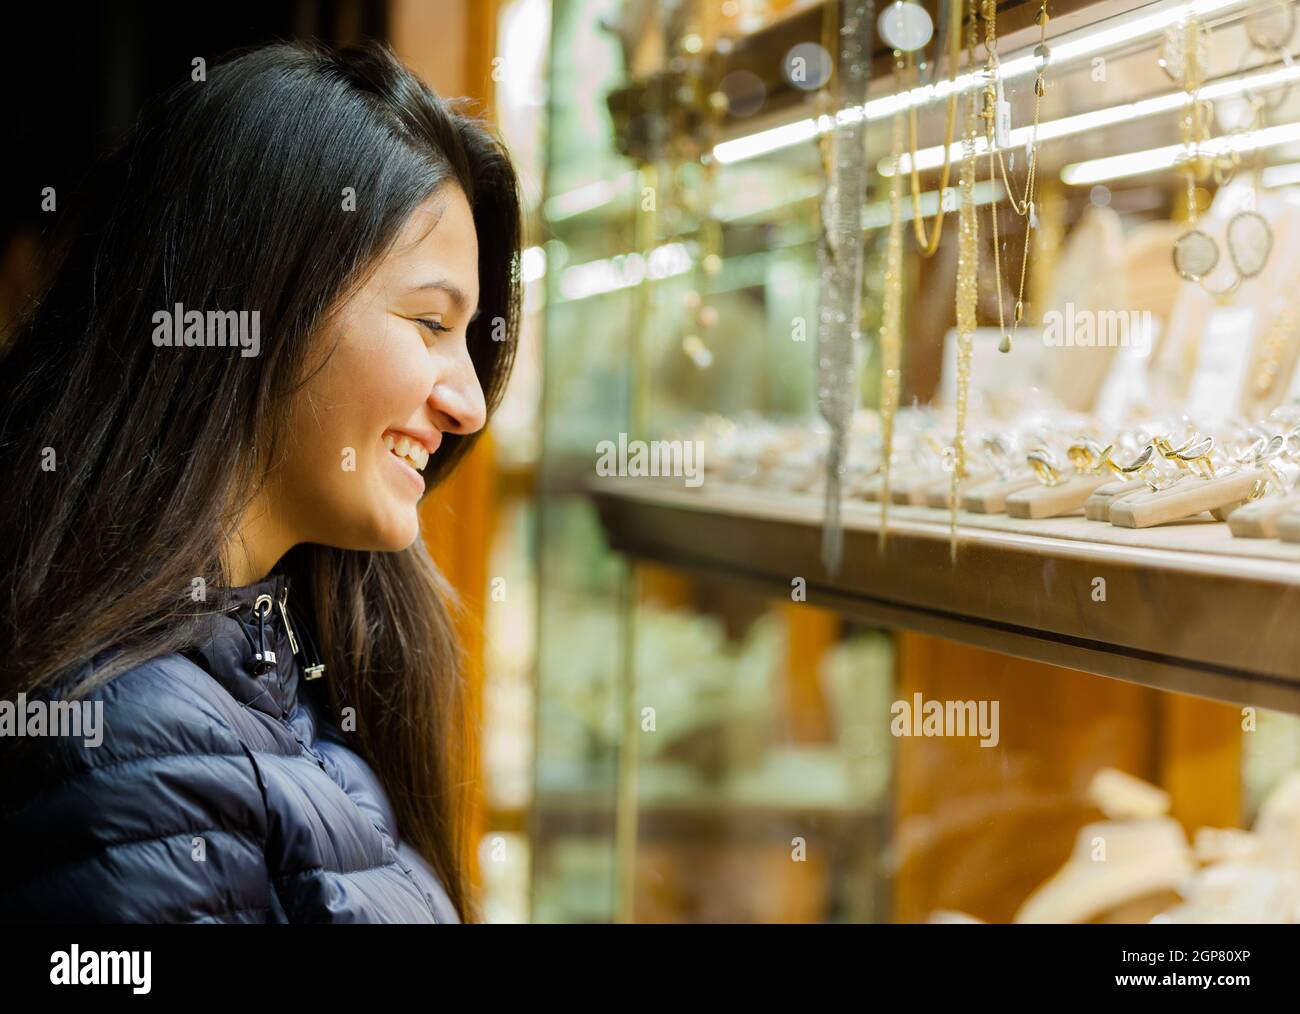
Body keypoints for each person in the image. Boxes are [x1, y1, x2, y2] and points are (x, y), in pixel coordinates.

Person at [0, 40, 522, 923]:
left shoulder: (285, 666)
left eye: (471, 341)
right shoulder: (124, 746)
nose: (468, 403)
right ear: (261, 297)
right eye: (431, 322)